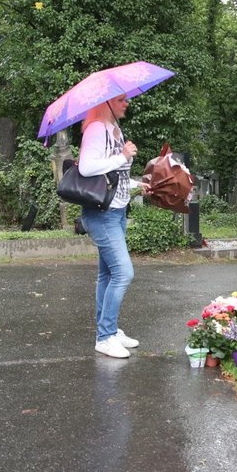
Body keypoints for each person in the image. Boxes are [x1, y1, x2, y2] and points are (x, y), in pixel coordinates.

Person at [77, 95, 148, 359]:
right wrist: (122, 156)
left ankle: (110, 329)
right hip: (101, 215)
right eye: (120, 99)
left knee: (107, 275)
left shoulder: (115, 130)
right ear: (106, 103)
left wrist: (137, 185)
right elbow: (87, 168)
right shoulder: (96, 129)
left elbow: (112, 178)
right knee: (123, 273)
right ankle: (105, 337)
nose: (126, 103)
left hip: (116, 212)